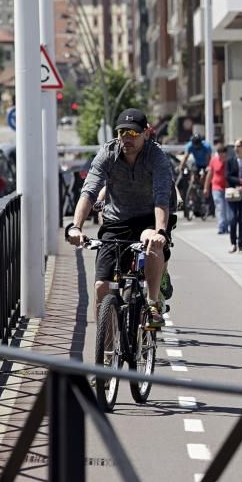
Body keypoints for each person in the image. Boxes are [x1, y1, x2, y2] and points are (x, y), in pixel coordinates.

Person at [65, 108, 173, 327]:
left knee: (152, 242)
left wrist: (161, 231)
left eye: (133, 133)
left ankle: (152, 304)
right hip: (116, 221)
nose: (126, 137)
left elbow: (162, 196)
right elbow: (89, 191)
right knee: (101, 287)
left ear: (146, 133)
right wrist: (75, 227)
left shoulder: (156, 156)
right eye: (122, 132)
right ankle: (104, 355)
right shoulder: (108, 153)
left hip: (147, 219)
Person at [206, 141, 231, 235]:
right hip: (216, 187)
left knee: (228, 208)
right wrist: (206, 187)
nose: (221, 155)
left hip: (227, 188)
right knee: (220, 207)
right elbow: (210, 174)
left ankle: (227, 226)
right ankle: (221, 227)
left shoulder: (229, 161)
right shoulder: (214, 160)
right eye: (219, 152)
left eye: (223, 152)